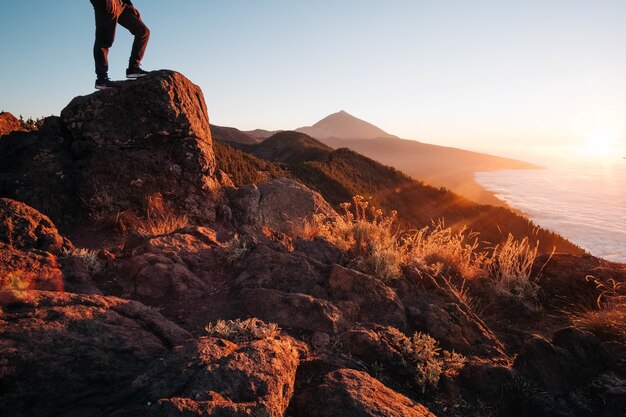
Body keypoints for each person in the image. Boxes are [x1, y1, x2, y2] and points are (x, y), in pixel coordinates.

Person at [90, 0, 150, 89]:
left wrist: (130, 5)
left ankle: (133, 68)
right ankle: (102, 79)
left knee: (142, 31)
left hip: (121, 3)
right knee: (104, 40)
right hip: (105, 2)